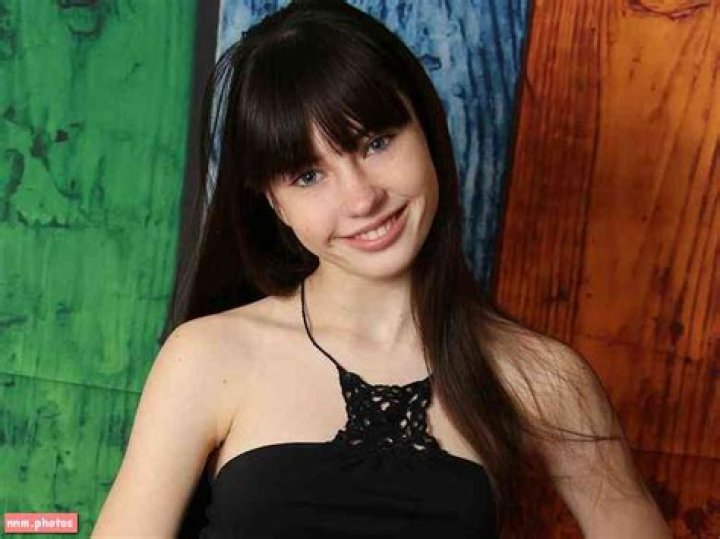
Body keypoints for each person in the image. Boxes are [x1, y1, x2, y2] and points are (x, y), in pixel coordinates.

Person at [92, 1, 671, 537]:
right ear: (274, 203)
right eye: (308, 176)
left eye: (376, 143)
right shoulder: (207, 356)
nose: (361, 198)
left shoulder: (540, 376)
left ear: (426, 127)